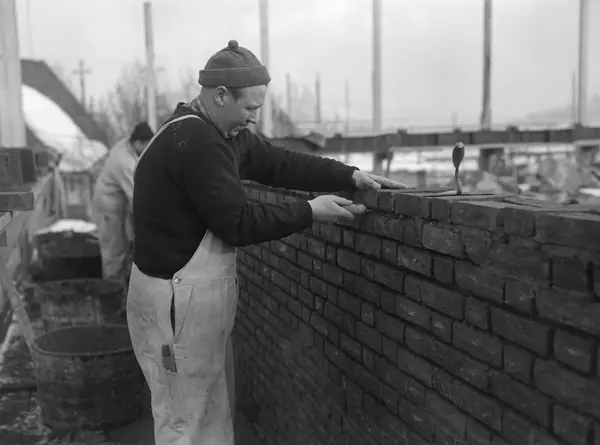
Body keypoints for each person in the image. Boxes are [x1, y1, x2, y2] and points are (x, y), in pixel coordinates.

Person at [127, 40, 405, 445]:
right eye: (250, 108)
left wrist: (348, 175)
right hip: (172, 307)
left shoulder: (219, 131)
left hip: (186, 304)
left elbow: (279, 163)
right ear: (221, 95)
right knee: (184, 421)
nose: (254, 118)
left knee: (203, 412)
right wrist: (310, 211)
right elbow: (238, 222)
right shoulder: (195, 142)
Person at [92, 122, 154, 284]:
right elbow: (138, 196)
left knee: (122, 248)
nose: (148, 150)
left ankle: (119, 285)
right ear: (138, 142)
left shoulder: (127, 146)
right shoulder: (124, 162)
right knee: (114, 252)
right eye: (147, 145)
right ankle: (112, 288)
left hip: (118, 208)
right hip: (108, 210)